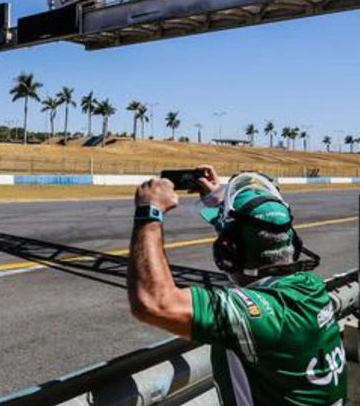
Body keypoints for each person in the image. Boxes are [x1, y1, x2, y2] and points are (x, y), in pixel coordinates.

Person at [127, 166, 346, 406]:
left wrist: (150, 211)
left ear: (228, 251)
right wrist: (217, 199)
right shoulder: (311, 288)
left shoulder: (264, 318)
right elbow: (251, 237)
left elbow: (154, 303)